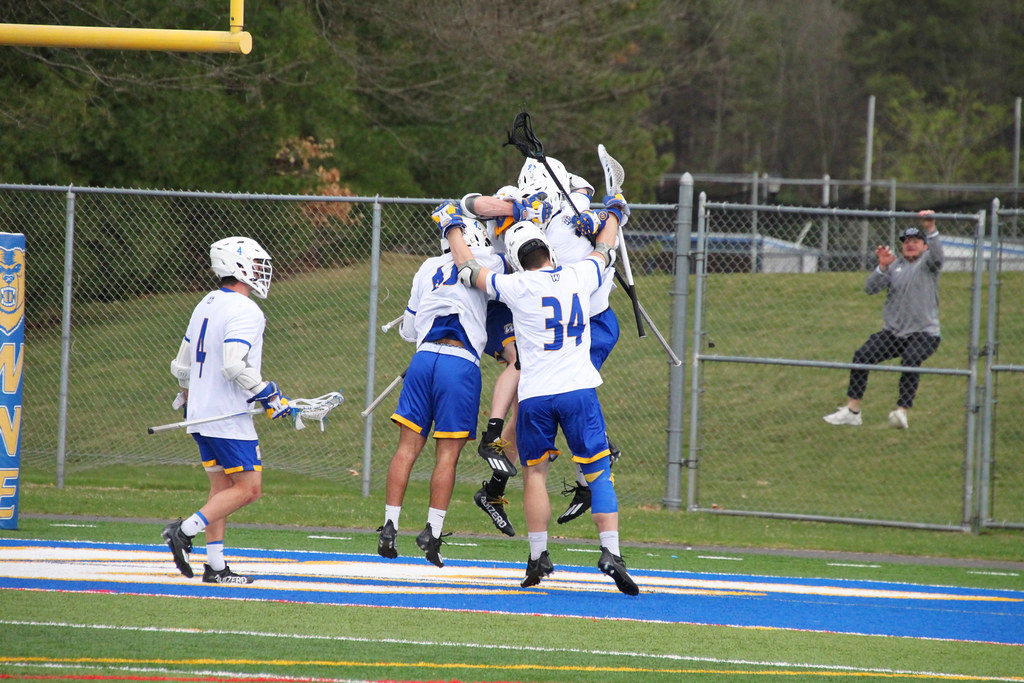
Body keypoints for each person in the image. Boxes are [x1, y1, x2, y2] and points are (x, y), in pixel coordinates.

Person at [438, 195, 640, 596]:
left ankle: (538, 556)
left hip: (535, 396)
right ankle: (610, 552)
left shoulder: (514, 284)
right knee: (598, 472)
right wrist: (614, 212)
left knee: (535, 474)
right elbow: (604, 248)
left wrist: (451, 227)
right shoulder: (578, 275)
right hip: (579, 389)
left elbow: (468, 269)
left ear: (516, 258)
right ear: (548, 250)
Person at [462, 159, 622, 528]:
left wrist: (603, 218)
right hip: (522, 306)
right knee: (535, 392)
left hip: (586, 318)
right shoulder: (517, 199)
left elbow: (602, 222)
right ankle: (497, 450)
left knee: (548, 397)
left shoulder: (575, 206)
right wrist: (516, 208)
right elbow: (472, 204)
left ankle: (510, 484)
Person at [376, 215, 506, 567]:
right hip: (459, 363)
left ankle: (390, 524)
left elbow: (408, 330)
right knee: (446, 456)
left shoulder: (427, 266)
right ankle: (432, 532)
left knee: (406, 449)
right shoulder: (491, 261)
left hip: (423, 359)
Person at [161, 236, 293, 584]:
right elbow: (234, 365)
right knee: (249, 488)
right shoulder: (245, 310)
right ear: (238, 267)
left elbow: (181, 365)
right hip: (226, 415)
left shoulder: (206, 302)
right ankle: (183, 531)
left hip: (201, 414)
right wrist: (269, 395)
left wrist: (188, 396)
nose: (263, 272)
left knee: (221, 490)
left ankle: (215, 567)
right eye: (257, 265)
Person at [824, 210, 944, 430]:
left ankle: (901, 411)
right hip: (894, 333)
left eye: (916, 241)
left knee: (910, 360)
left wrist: (930, 228)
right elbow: (870, 289)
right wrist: (882, 267)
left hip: (924, 333)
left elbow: (938, 256)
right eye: (906, 241)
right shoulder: (895, 266)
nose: (910, 244)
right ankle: (853, 411)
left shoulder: (928, 263)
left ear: (924, 246)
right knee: (862, 355)